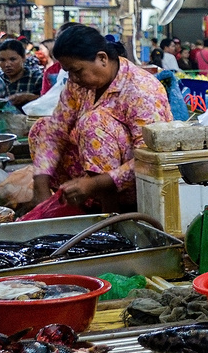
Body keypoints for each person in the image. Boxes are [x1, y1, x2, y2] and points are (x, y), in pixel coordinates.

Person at [26, 24, 173, 217]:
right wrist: (41, 185)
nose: (73, 78)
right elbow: (56, 130)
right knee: (41, 128)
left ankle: (111, 212)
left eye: (77, 71)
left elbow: (150, 158)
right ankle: (81, 207)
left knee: (94, 122)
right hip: (89, 183)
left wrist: (95, 184)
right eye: (69, 72)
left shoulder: (142, 90)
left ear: (102, 58)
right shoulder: (78, 84)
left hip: (138, 184)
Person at [0, 38, 44, 107]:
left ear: (23, 58)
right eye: (2, 60)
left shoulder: (38, 78)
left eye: (12, 59)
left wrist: (28, 97)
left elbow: (49, 102)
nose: (7, 64)